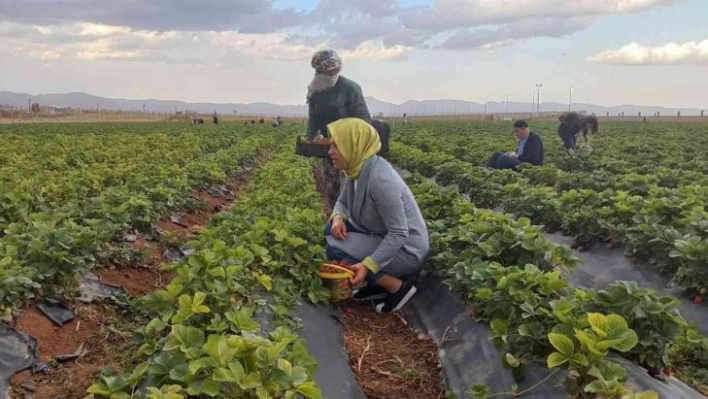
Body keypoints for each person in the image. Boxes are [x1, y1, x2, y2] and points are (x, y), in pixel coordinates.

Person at [324, 118, 429, 314]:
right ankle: (377, 284)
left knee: (335, 249)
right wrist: (338, 217)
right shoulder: (355, 168)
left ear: (353, 145)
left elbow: (399, 233)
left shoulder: (381, 181)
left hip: (407, 250)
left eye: (336, 145)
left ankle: (396, 287)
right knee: (330, 229)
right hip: (378, 232)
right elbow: (343, 202)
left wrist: (368, 265)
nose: (330, 152)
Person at [305, 49, 373, 207]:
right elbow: (313, 118)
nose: (327, 73)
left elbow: (365, 121)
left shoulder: (350, 88)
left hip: (350, 151)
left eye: (331, 70)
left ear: (337, 69)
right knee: (332, 189)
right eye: (322, 71)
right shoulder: (315, 91)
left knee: (351, 191)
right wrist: (309, 138)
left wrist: (340, 138)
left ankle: (352, 224)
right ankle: (336, 218)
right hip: (329, 152)